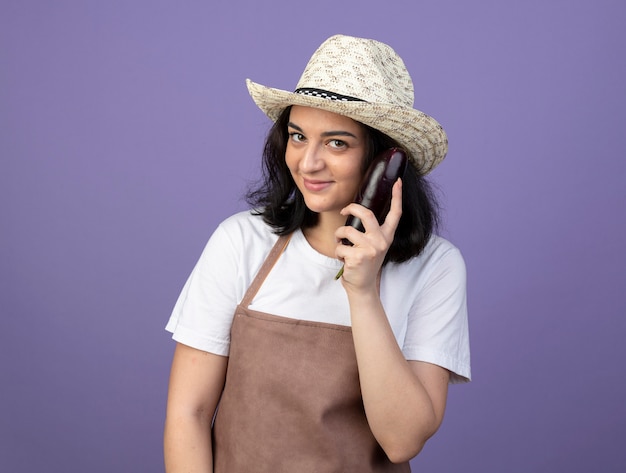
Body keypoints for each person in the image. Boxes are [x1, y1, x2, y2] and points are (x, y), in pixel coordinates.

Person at [163, 34, 471, 472]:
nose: (307, 163)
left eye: (336, 143)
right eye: (297, 136)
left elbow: (402, 441)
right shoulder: (240, 242)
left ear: (387, 162)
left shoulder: (436, 267)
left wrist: (362, 292)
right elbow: (187, 415)